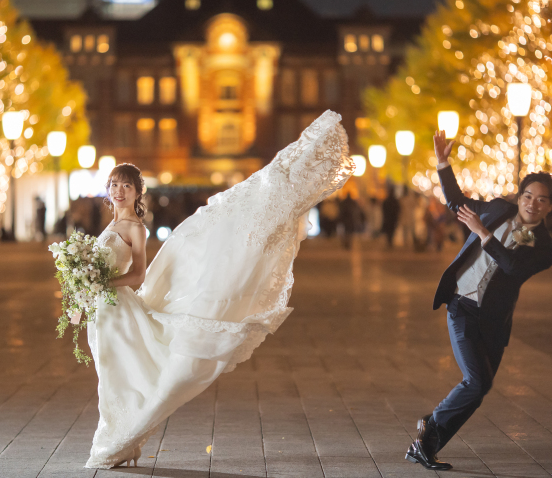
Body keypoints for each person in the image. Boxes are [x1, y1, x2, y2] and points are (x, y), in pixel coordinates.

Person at [84, 111, 353, 468]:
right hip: (104, 310)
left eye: (126, 186)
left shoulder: (134, 227)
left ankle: (118, 440)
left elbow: (138, 276)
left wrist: (103, 282)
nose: (118, 190)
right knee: (113, 376)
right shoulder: (113, 222)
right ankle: (125, 440)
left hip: (120, 309)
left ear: (136, 194)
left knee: (124, 377)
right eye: (114, 184)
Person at [405, 130, 552, 471]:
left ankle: (427, 440)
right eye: (528, 196)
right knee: (475, 382)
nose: (532, 203)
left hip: (492, 320)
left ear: (549, 206)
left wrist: (483, 234)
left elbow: (514, 267)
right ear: (519, 197)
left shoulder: (547, 247)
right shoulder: (497, 210)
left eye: (541, 199)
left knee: (480, 387)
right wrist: (443, 162)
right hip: (461, 307)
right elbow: (456, 201)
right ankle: (427, 433)